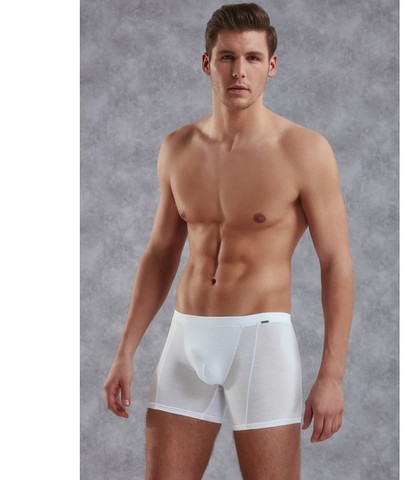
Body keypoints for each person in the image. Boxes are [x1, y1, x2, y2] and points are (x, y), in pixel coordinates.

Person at [104, 3, 354, 479]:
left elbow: (336, 262)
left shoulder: (304, 150)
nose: (240, 70)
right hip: (186, 338)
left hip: (261, 341)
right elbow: (160, 252)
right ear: (207, 63)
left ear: (271, 66)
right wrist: (125, 352)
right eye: (227, 57)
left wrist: (332, 376)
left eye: (253, 58)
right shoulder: (178, 148)